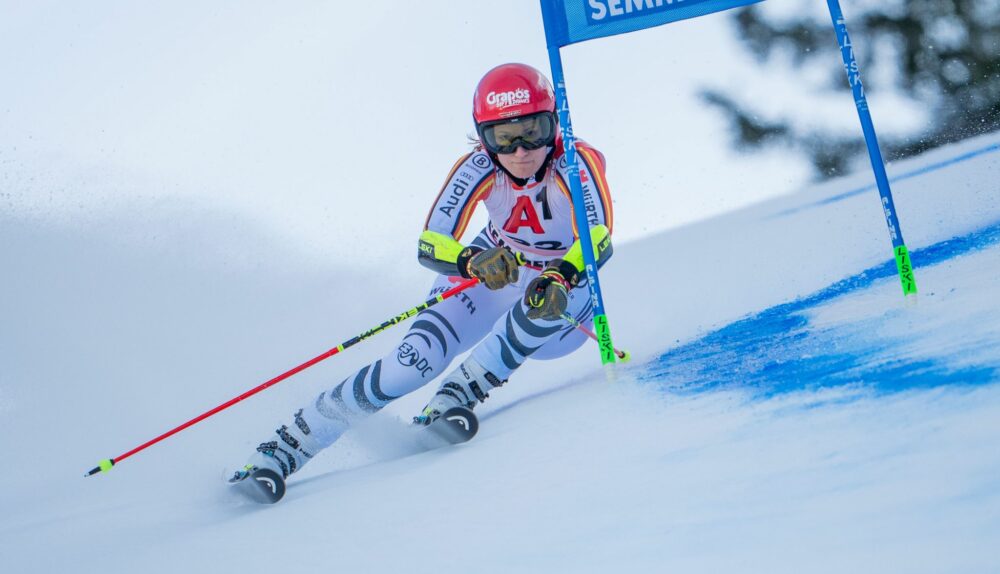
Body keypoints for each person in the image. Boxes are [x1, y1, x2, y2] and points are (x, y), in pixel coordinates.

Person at [239, 63, 614, 481]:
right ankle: (287, 446)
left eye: (534, 131)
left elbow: (598, 234)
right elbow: (431, 241)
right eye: (504, 138)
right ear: (484, 138)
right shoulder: (477, 167)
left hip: (565, 287)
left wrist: (561, 274)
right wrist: (470, 261)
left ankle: (459, 392)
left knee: (539, 303)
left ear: (554, 124)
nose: (521, 151)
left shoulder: (575, 161)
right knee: (411, 363)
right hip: (496, 268)